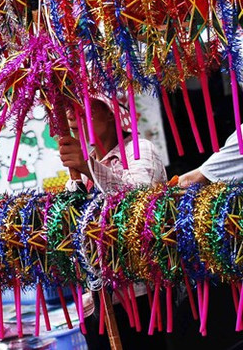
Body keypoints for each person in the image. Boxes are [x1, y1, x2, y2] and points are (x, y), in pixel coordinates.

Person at [57, 97, 167, 350]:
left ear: (110, 112)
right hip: (96, 299)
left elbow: (139, 201)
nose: (72, 115)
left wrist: (88, 167)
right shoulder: (83, 164)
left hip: (140, 297)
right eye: (68, 109)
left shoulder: (139, 149)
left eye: (82, 105)